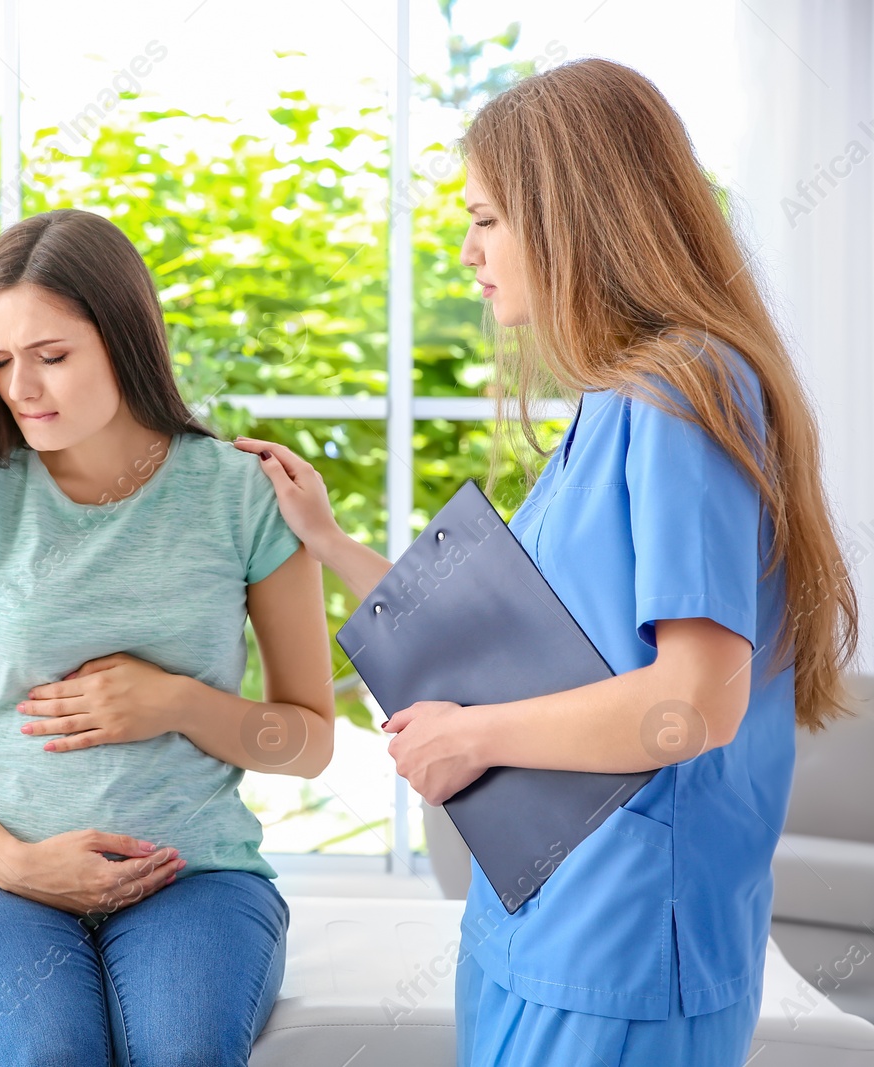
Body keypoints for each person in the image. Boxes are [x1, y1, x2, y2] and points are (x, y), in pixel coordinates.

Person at [236, 58, 861, 1067]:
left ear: (571, 213)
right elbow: (506, 636)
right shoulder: (613, 403)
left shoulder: (679, 395)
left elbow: (693, 703)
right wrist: (327, 540)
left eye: (486, 218)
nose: (467, 249)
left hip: (621, 935)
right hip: (538, 908)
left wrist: (470, 736)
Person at [0, 207, 335, 1066]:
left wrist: (179, 702)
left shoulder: (242, 498)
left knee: (183, 1051)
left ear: (124, 339)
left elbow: (308, 744)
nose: (21, 389)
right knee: (52, 1052)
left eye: (52, 356)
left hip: (193, 877)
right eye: (0, 360)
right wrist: (16, 863)